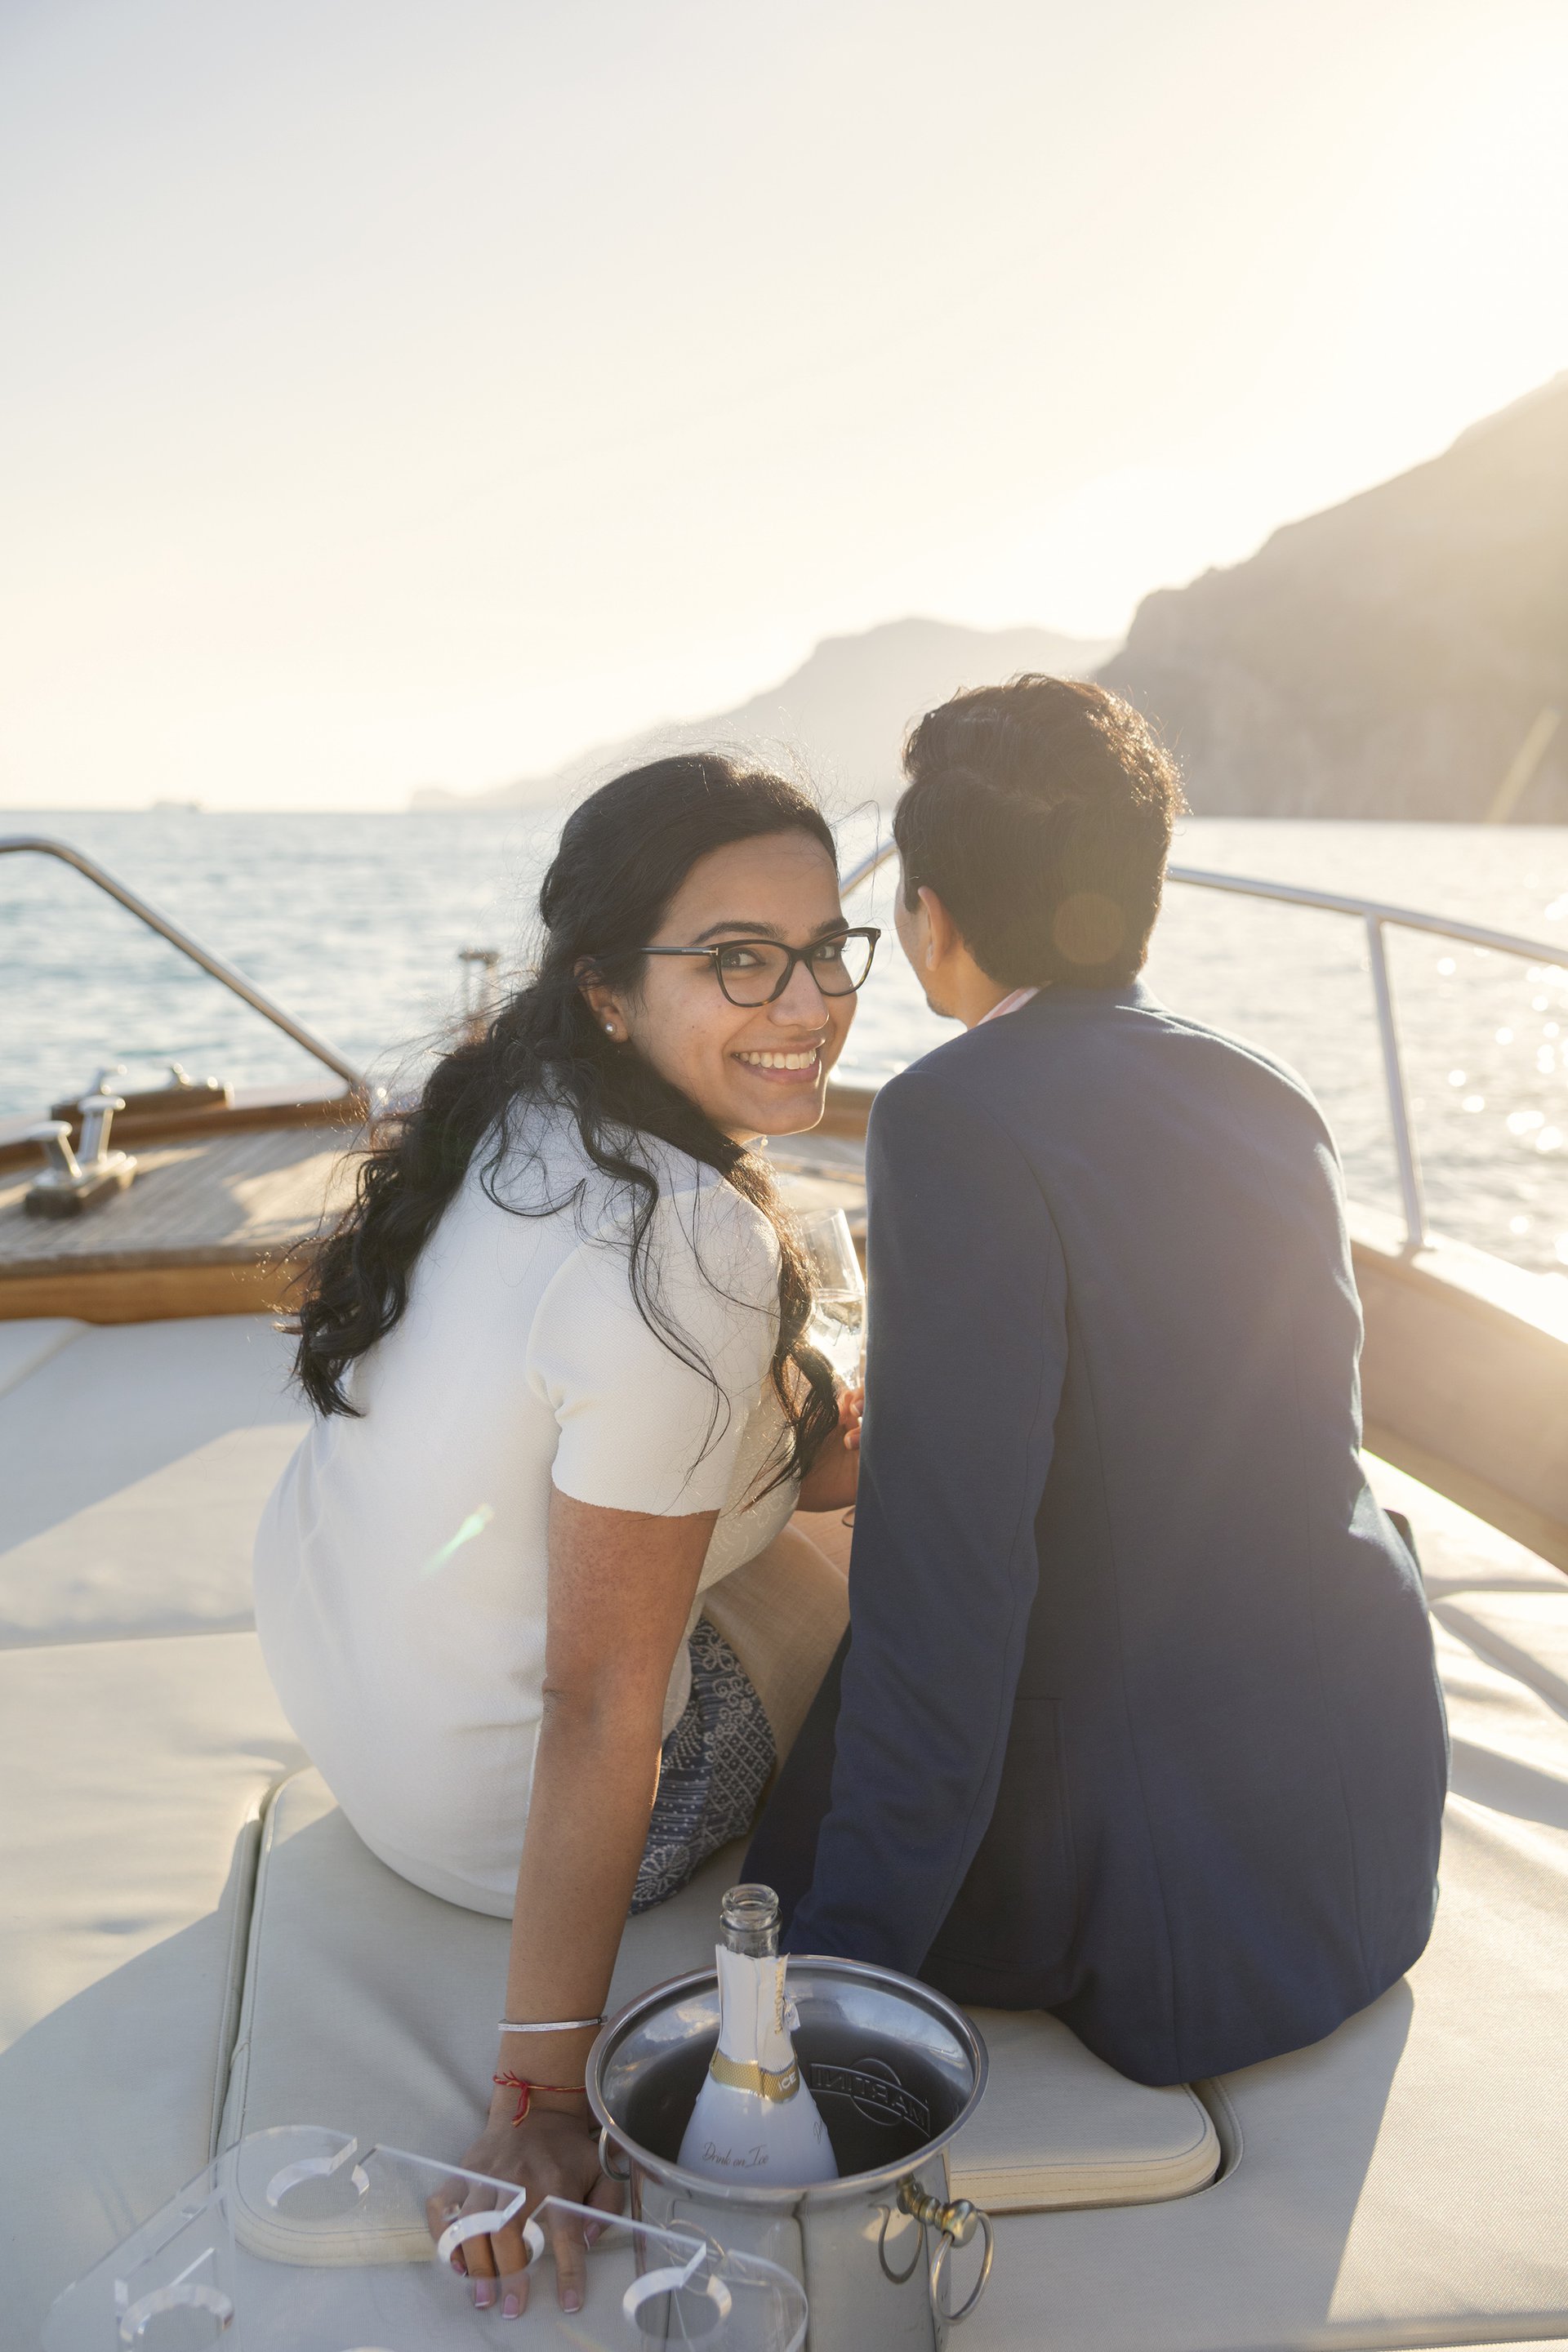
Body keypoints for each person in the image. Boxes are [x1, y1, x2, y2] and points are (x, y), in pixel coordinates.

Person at [746, 676, 1449, 2087]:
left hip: (1182, 1917)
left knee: (794, 1720)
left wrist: (832, 1988)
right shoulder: (1270, 1091)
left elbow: (947, 1594)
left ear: (931, 919)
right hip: (1367, 1831)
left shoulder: (948, 1115)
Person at [253, 755, 873, 2315]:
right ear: (607, 987)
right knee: (890, 1559)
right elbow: (600, 1704)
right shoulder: (689, 1249)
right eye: (740, 959)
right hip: (491, 1820)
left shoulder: (516, 1109)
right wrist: (535, 2096)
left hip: (351, 1723)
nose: (809, 1003)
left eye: (826, 949)